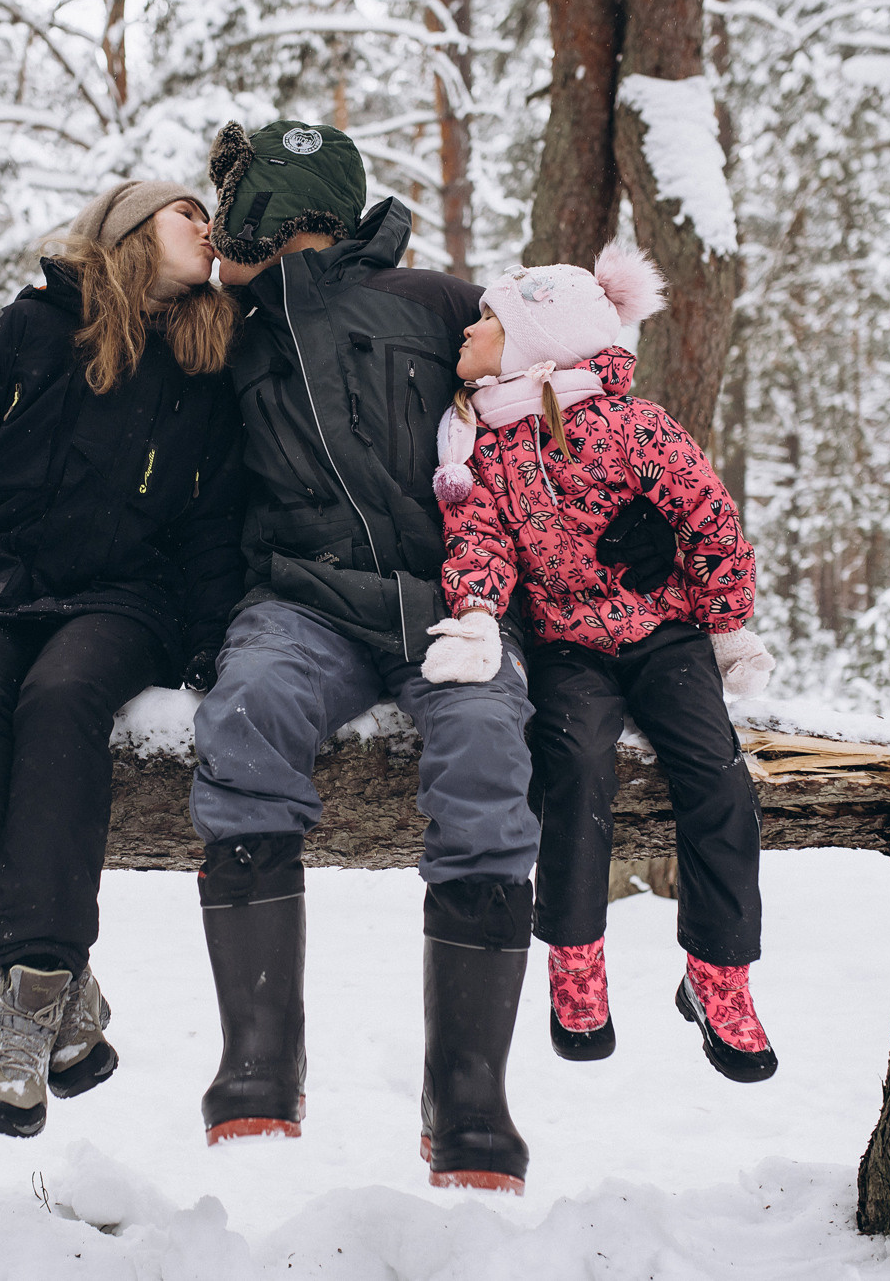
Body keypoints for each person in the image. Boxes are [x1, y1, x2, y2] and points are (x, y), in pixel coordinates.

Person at [188, 119, 539, 1193]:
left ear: (278, 214)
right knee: (246, 711)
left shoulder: (436, 304)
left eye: (235, 207)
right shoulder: (226, 333)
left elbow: (543, 403)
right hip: (300, 602)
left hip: (452, 602)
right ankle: (259, 1052)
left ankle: (467, 1090)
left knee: (483, 741)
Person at [0, 182, 245, 1139]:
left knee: (59, 698)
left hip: (123, 600)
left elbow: (215, 525)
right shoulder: (27, 329)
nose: (208, 231)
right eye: (188, 214)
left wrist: (212, 632)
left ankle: (24, 1009)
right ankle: (62, 987)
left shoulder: (204, 363)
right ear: (129, 231)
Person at [428, 244, 781, 1085]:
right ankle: (576, 954)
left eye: (489, 318)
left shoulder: (632, 424)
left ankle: (718, 972)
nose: (469, 329)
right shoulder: (483, 444)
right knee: (576, 765)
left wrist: (726, 623)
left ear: (532, 341)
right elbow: (478, 537)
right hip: (568, 646)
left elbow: (709, 514)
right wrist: (478, 611)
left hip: (664, 634)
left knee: (716, 771)